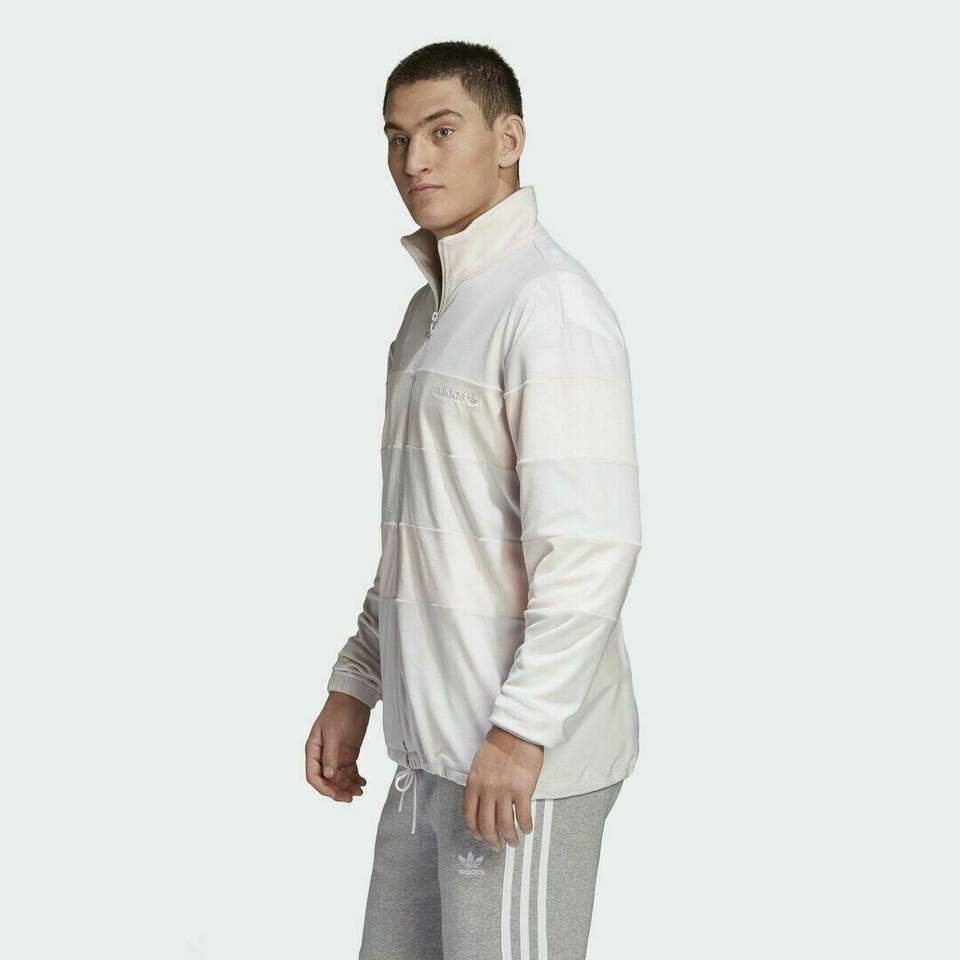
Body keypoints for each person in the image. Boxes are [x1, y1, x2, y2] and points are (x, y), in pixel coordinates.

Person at [305, 40, 643, 960]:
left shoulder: (550, 307)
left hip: (518, 766)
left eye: (442, 131)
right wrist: (358, 679)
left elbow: (591, 546)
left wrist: (522, 733)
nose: (413, 160)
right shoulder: (431, 316)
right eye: (397, 137)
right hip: (430, 758)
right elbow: (423, 533)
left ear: (509, 139)